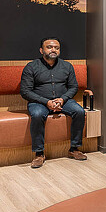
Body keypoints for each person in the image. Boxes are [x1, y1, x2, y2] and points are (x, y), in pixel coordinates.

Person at [20, 37, 87, 168]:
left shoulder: (67, 66)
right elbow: (25, 91)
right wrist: (47, 102)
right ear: (41, 50)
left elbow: (73, 87)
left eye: (56, 48)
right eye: (49, 47)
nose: (53, 50)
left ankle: (74, 149)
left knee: (79, 111)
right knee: (37, 114)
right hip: (39, 102)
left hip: (63, 100)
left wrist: (62, 99)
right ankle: (39, 154)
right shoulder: (31, 67)